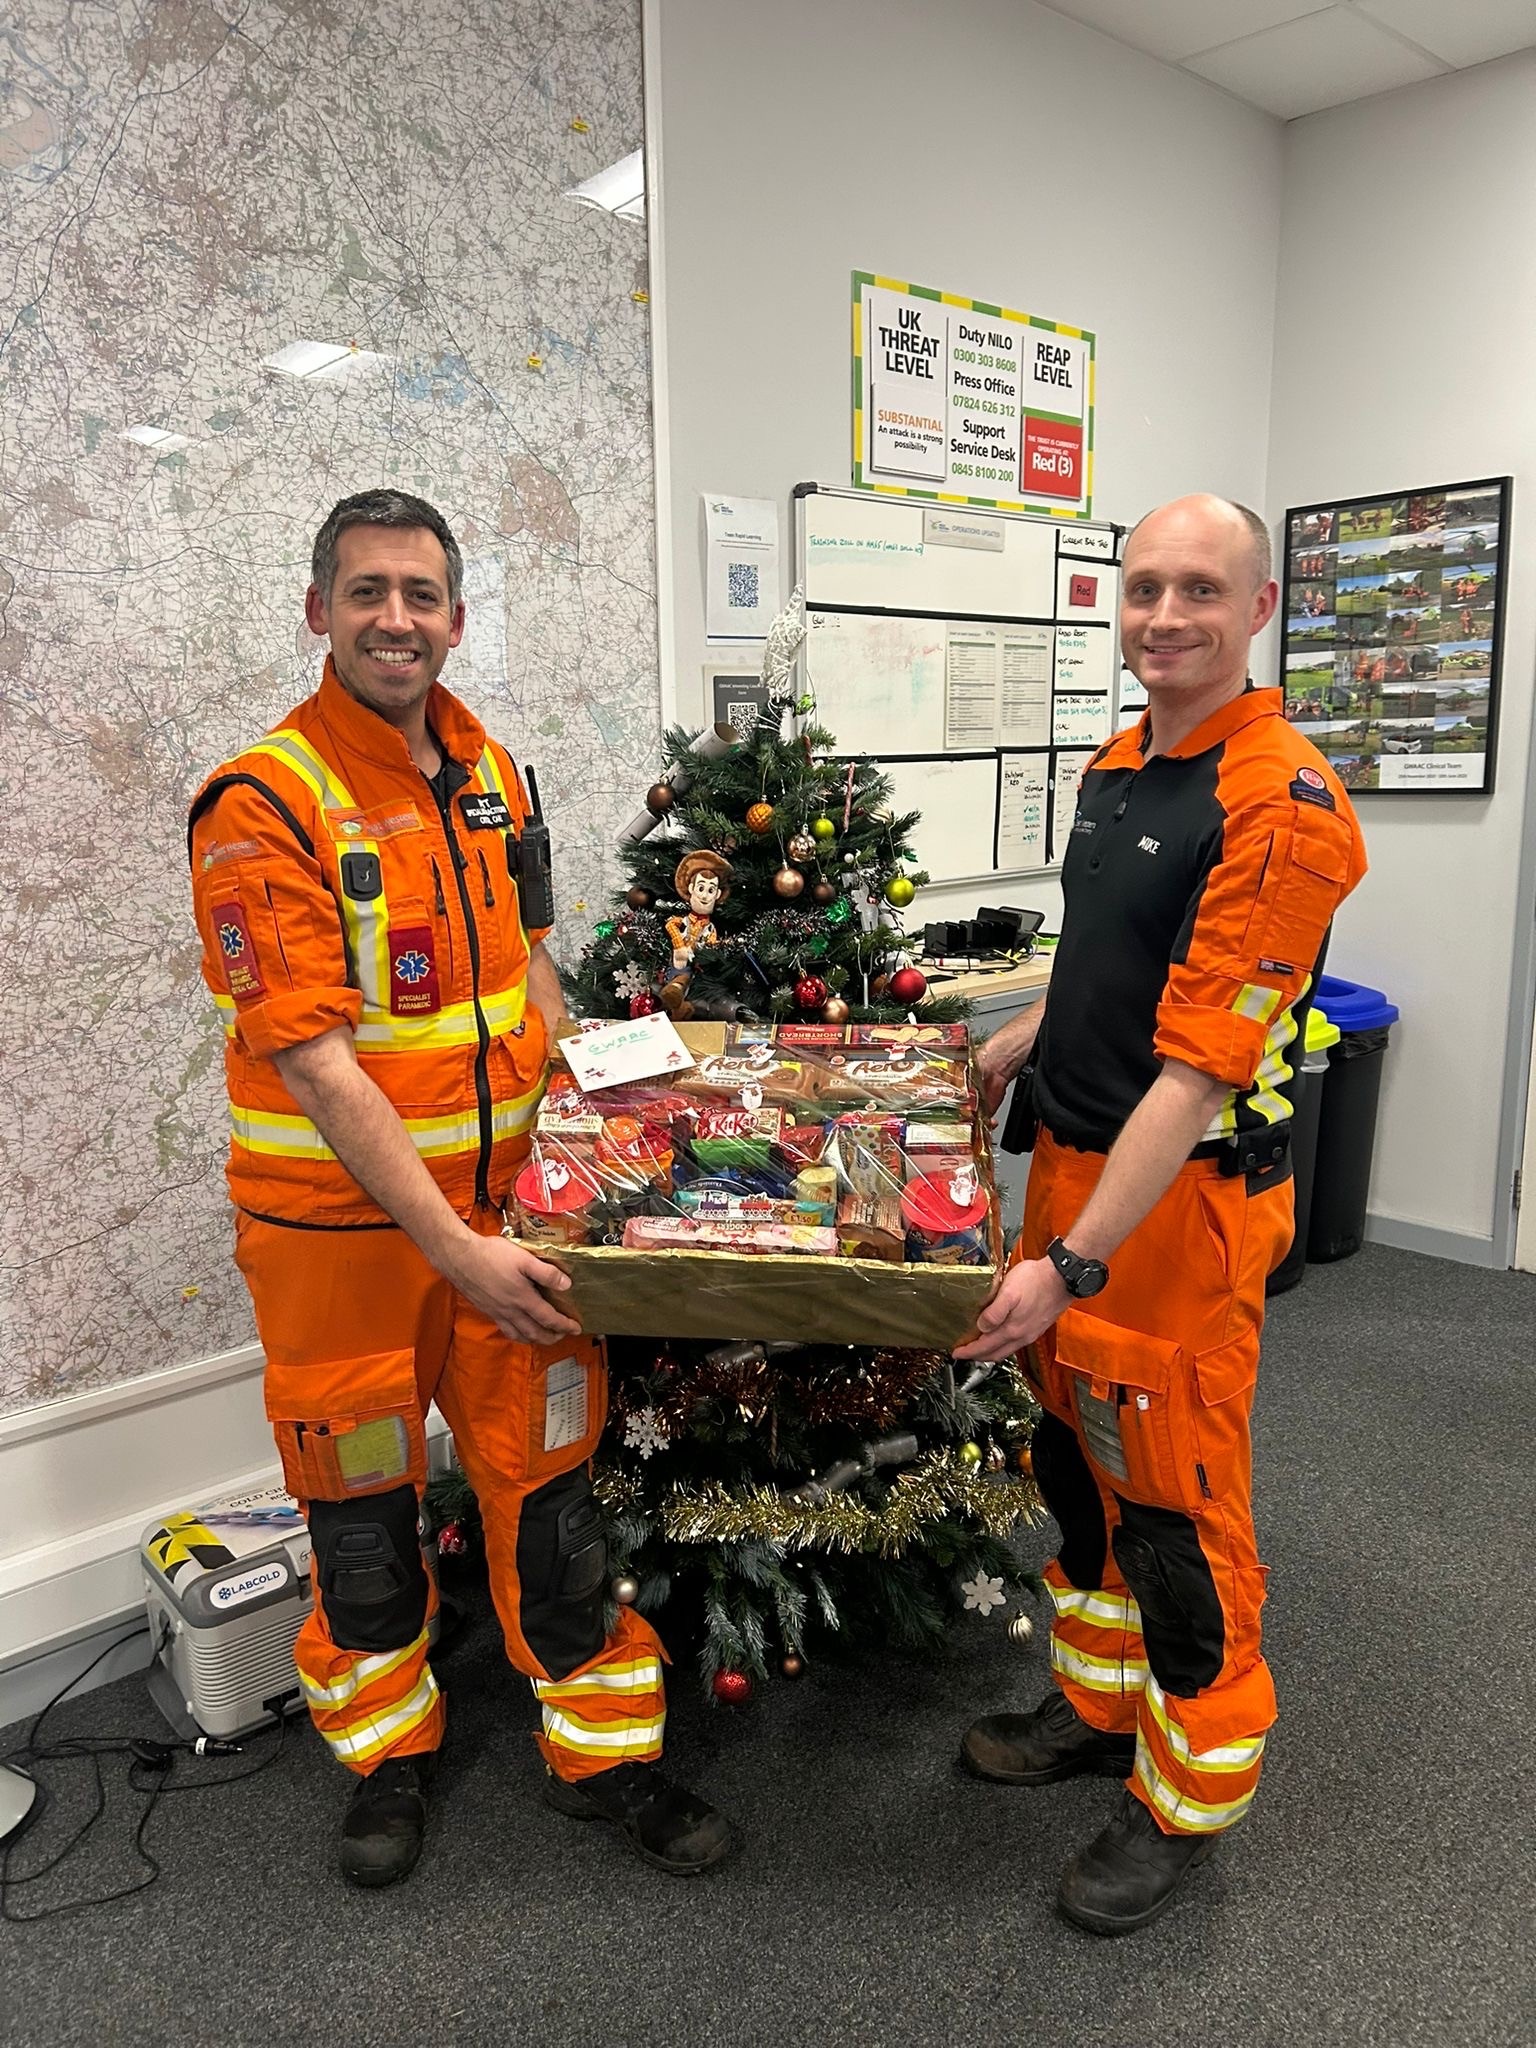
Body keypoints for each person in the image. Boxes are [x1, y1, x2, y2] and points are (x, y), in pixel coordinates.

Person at [187, 490, 730, 1888]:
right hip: (342, 1253)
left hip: (515, 1225)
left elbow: (530, 971)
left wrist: (585, 1141)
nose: (396, 619)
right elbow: (314, 1063)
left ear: (456, 617)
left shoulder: (491, 771)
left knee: (554, 1507)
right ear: (319, 610)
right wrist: (457, 1251)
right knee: (363, 1528)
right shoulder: (262, 805)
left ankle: (603, 1761)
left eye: (421, 595)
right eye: (366, 592)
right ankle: (389, 1762)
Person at [955, 495, 1367, 1936]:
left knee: (1178, 1507)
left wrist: (1070, 1262)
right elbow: (1115, 949)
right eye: (1142, 589)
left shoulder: (1283, 806)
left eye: (1200, 590)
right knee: (1074, 1474)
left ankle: (1187, 1791)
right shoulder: (1125, 762)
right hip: (1074, 1167)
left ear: (1258, 612)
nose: (1164, 617)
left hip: (1171, 1214)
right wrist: (1028, 1027)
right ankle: (1096, 1704)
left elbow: (1197, 1072)